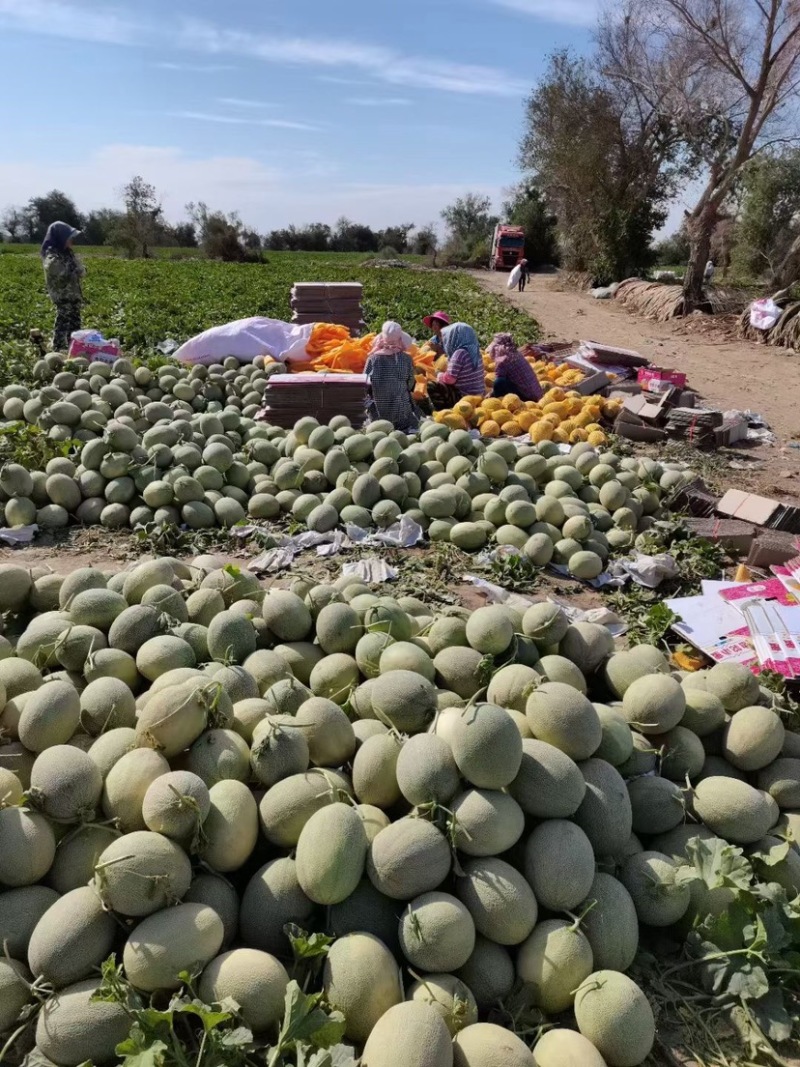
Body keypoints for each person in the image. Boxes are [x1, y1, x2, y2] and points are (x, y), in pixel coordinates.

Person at [364, 321, 420, 433]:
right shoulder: (406, 359)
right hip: (402, 416)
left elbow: (364, 385)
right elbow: (410, 384)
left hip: (379, 418)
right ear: (400, 340)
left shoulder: (373, 359)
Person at [41, 222, 85, 351]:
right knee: (63, 319)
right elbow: (57, 271)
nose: (71, 241)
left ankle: (75, 345)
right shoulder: (52, 255)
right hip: (62, 294)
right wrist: (74, 269)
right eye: (69, 238)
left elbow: (80, 268)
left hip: (73, 293)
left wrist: (79, 269)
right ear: (61, 238)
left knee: (75, 319)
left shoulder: (68, 253)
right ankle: (59, 347)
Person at [427, 322, 485, 410]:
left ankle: (444, 410)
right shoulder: (475, 351)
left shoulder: (459, 353)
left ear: (454, 337)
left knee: (431, 386)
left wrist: (438, 374)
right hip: (480, 395)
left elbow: (450, 379)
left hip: (464, 397)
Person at [488, 333, 543, 401]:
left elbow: (498, 384)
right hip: (536, 395)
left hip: (528, 398)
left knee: (499, 382)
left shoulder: (502, 360)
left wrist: (490, 396)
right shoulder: (517, 354)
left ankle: (498, 402)